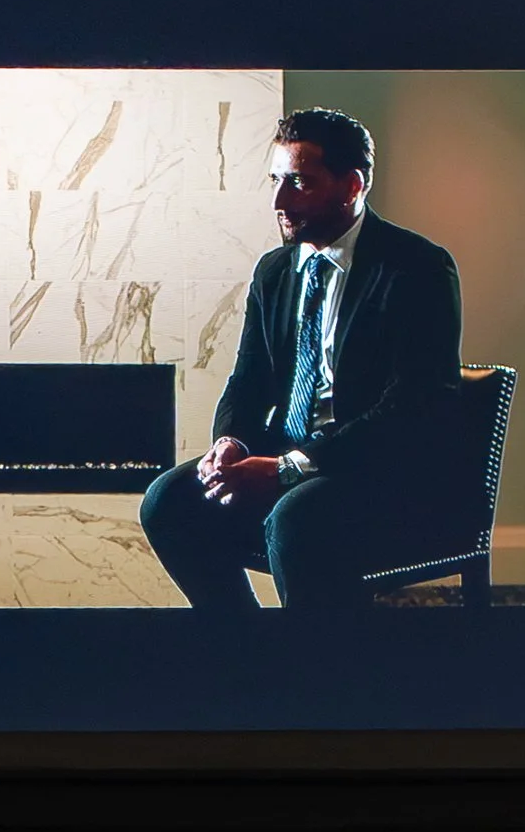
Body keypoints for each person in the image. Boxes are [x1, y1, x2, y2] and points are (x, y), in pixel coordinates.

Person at [137, 110, 465, 618]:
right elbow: (248, 381)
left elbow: (415, 406)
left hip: (376, 469)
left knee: (296, 517)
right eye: (275, 181)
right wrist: (231, 443)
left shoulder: (417, 268)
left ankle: (314, 675)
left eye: (299, 183)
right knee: (168, 500)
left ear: (351, 186)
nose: (279, 202)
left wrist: (292, 468)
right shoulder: (274, 271)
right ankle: (249, 647)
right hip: (288, 456)